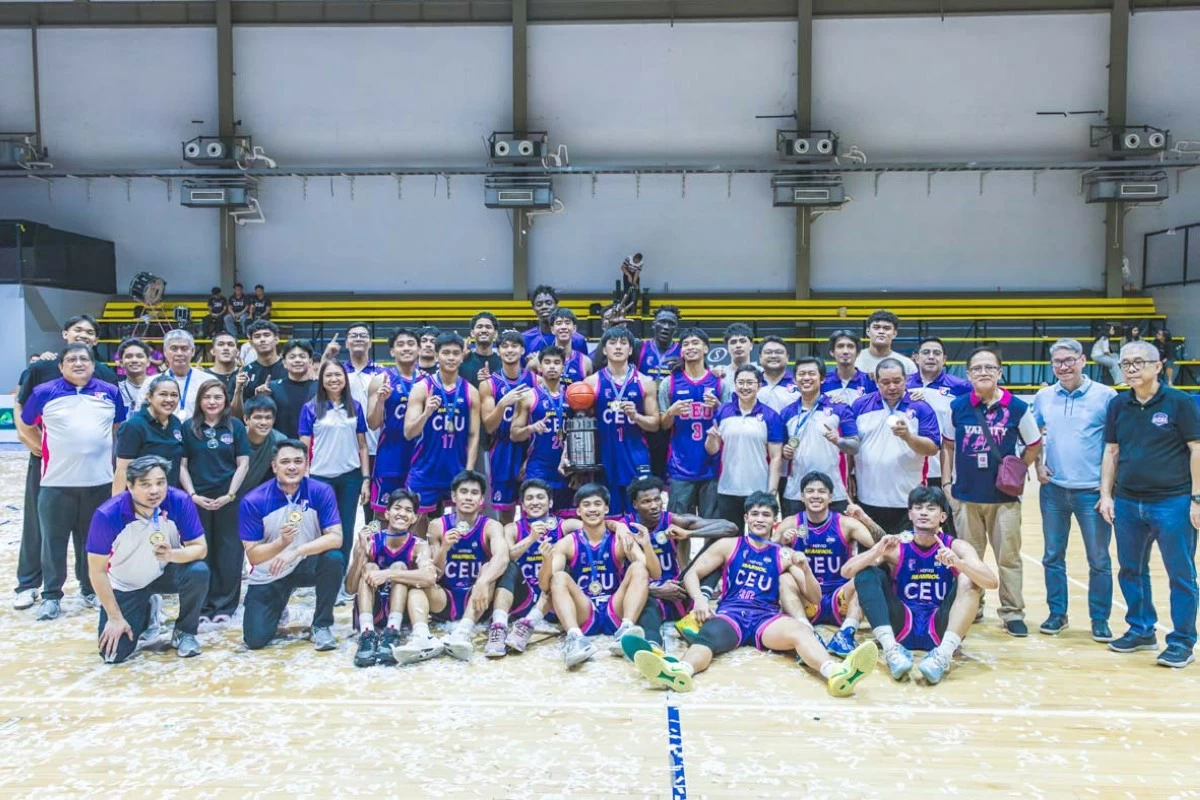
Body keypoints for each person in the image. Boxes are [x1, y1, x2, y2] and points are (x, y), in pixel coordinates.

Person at [627, 491, 878, 696]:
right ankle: (681, 671)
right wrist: (700, 599)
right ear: (746, 518)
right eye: (755, 514)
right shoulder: (729, 545)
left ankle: (835, 673)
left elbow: (814, 597)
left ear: (774, 521)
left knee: (800, 631)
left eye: (766, 515)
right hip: (732, 614)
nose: (760, 519)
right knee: (707, 637)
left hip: (765, 619)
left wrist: (806, 569)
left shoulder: (783, 554)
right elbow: (692, 573)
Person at [1098, 339, 1200, 668]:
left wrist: (1197, 498)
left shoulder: (1180, 402)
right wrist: (1106, 494)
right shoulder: (1118, 404)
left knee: (1180, 574)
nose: (1131, 368)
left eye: (1138, 362)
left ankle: (1182, 640)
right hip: (1128, 503)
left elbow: (1197, 449)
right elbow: (1111, 451)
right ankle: (1141, 629)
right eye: (1125, 363)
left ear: (1158, 366)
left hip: (1173, 502)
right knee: (1131, 570)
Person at [13, 314, 119, 613]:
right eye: (77, 330)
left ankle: (90, 586)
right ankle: (30, 585)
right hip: (50, 464)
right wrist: (36, 446)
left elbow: (115, 424)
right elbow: (22, 412)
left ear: (96, 340)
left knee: (91, 531)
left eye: (89, 332)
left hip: (93, 472)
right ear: (65, 334)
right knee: (41, 528)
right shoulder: (41, 370)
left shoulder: (105, 376)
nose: (83, 335)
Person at [842, 486, 998, 684]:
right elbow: (847, 572)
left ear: (942, 516)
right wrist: (876, 551)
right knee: (867, 573)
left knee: (969, 578)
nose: (924, 512)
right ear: (910, 514)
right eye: (918, 508)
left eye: (931, 508)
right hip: (902, 625)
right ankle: (891, 650)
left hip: (939, 626)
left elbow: (991, 582)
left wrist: (960, 565)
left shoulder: (956, 547)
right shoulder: (897, 546)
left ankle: (943, 655)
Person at [944, 347, 1041, 637]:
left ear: (1000, 372)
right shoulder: (958, 406)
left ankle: (1012, 612)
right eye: (977, 368)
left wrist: (1017, 470)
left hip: (1004, 499)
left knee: (1008, 559)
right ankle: (973, 605)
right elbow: (948, 445)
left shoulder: (1018, 407)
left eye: (990, 367)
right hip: (966, 497)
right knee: (969, 560)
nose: (983, 372)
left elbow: (1034, 444)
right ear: (968, 374)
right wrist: (947, 484)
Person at [1033, 338, 1118, 641]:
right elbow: (1032, 434)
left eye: (1069, 360)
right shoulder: (1043, 396)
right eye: (1058, 361)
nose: (1064, 366)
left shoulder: (1106, 396)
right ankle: (1057, 614)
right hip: (1054, 491)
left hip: (1092, 493)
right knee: (1052, 556)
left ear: (1083, 360)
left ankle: (1100, 619)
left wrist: (1107, 490)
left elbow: (1115, 445)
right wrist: (1038, 465)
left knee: (1099, 559)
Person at [86, 456, 210, 663]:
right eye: (145, 484)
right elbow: (97, 571)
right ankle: (148, 608)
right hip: (127, 584)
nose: (154, 491)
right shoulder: (108, 515)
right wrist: (115, 618)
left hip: (165, 573)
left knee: (198, 571)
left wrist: (172, 555)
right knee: (113, 655)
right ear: (130, 485)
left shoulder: (179, 501)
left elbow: (200, 548)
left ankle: (185, 631)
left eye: (160, 483)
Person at [239, 440, 344, 652]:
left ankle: (321, 625)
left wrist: (296, 551)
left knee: (334, 558)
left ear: (307, 465)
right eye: (285, 462)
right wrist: (281, 543)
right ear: (274, 466)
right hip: (271, 569)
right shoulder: (253, 500)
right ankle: (278, 607)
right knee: (255, 640)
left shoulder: (321, 491)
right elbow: (254, 556)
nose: (292, 467)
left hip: (306, 563)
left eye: (298, 461)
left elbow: (336, 538)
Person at [545, 483, 656, 668]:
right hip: (585, 609)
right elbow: (545, 585)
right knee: (558, 578)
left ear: (606, 508)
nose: (592, 509)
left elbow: (654, 573)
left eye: (597, 504)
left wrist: (647, 545)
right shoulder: (567, 543)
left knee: (639, 568)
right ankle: (575, 638)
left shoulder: (621, 538)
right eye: (586, 505)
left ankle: (626, 630)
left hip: (615, 607)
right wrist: (546, 561)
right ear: (578, 511)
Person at [623, 475, 739, 647]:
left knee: (718, 547)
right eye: (646, 501)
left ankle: (700, 603)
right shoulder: (625, 527)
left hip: (678, 587)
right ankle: (653, 645)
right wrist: (652, 589)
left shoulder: (674, 520)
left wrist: (689, 534)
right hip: (646, 590)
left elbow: (730, 528)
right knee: (647, 608)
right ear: (635, 504)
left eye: (657, 499)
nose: (654, 505)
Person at [775, 471, 875, 656]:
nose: (815, 496)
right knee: (784, 579)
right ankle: (807, 631)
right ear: (802, 497)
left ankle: (846, 634)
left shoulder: (845, 524)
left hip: (840, 597)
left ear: (830, 497)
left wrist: (865, 519)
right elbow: (762, 555)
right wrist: (780, 544)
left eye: (821, 491)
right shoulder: (791, 523)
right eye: (810, 491)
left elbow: (885, 545)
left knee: (867, 575)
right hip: (808, 597)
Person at [179, 379, 251, 624]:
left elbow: (243, 463)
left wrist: (229, 494)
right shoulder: (188, 427)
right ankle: (201, 604)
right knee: (200, 550)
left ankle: (225, 605)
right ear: (199, 400)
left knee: (229, 552)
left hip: (228, 497)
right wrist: (192, 495)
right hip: (197, 497)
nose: (212, 402)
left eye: (218, 397)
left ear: (226, 400)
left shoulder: (235, 426)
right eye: (207, 397)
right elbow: (182, 465)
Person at [844, 358, 940, 538]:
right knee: (872, 552)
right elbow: (849, 449)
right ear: (876, 382)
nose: (892, 387)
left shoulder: (921, 407)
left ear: (906, 379)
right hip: (868, 499)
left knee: (906, 553)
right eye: (885, 382)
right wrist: (847, 480)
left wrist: (908, 437)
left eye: (897, 381)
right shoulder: (860, 406)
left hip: (909, 500)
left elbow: (932, 448)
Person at [425, 470, 512, 660]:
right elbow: (434, 574)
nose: (468, 497)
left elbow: (503, 558)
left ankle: (463, 632)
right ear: (454, 496)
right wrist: (444, 547)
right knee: (419, 578)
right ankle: (420, 635)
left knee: (490, 568)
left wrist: (483, 581)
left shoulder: (491, 526)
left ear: (481, 500)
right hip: (444, 599)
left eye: (474, 493)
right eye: (463, 492)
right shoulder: (437, 525)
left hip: (479, 598)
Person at [345, 489, 437, 667]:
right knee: (369, 568)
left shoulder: (419, 545)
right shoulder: (369, 541)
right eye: (397, 508)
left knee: (399, 567)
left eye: (408, 510)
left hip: (401, 615)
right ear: (387, 514)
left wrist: (388, 574)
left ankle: (392, 633)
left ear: (414, 518)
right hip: (372, 610)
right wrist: (361, 553)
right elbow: (350, 589)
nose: (402, 513)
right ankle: (366, 634)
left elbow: (429, 577)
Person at [577, 326, 659, 518]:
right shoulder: (591, 382)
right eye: (612, 343)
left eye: (623, 343)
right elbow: (582, 422)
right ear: (604, 350)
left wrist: (636, 416)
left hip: (635, 454)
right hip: (605, 455)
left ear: (630, 350)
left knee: (640, 513)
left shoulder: (645, 382)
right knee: (608, 513)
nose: (618, 347)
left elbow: (655, 423)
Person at [299, 359, 370, 578]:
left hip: (350, 478)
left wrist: (366, 479)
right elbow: (303, 448)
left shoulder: (355, 406)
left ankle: (338, 579)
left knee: (346, 529)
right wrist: (303, 480)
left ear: (345, 379)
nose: (334, 379)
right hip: (320, 478)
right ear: (321, 380)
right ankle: (320, 577)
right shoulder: (310, 408)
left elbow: (363, 446)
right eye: (328, 375)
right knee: (322, 529)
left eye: (338, 375)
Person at [404, 332, 481, 525]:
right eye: (446, 353)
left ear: (462, 356)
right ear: (437, 356)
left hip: (457, 468)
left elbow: (473, 436)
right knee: (416, 526)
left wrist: (469, 471)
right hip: (425, 469)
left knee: (460, 526)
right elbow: (409, 432)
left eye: (456, 353)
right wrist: (426, 413)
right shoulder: (422, 388)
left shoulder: (471, 391)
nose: (451, 357)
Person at [658, 328, 725, 519]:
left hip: (712, 466)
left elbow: (731, 423)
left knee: (711, 527)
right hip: (680, 468)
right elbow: (663, 425)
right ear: (681, 351)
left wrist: (718, 407)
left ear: (706, 348)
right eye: (685, 344)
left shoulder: (720, 383)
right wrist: (671, 412)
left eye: (695, 343)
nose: (690, 347)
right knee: (678, 527)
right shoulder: (669, 383)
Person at [780, 357, 858, 517]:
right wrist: (784, 452)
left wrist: (838, 440)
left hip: (833, 493)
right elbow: (778, 450)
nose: (806, 378)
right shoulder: (787, 412)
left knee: (835, 533)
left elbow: (855, 447)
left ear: (822, 378)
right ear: (794, 380)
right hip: (796, 493)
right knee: (797, 533)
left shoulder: (840, 408)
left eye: (811, 373)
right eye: (801, 374)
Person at [708, 365, 784, 527]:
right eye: (740, 382)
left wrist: (771, 492)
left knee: (760, 538)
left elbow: (776, 457)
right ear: (735, 384)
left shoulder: (771, 416)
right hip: (727, 489)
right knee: (730, 537)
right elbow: (713, 450)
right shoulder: (723, 412)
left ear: (759, 386)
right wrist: (711, 438)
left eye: (750, 383)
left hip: (759, 491)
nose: (745, 387)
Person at [907, 336, 972, 521]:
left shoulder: (961, 388)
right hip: (910, 469)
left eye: (936, 353)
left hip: (948, 471)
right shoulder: (903, 385)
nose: (931, 357)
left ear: (944, 359)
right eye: (926, 352)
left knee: (950, 525)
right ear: (916, 358)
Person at [499, 479, 566, 653]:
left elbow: (596, 525)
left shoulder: (564, 525)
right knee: (505, 567)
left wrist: (618, 527)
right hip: (523, 597)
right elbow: (506, 557)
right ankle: (499, 627)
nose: (535, 502)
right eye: (529, 498)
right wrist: (531, 538)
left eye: (540, 497)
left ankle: (527, 625)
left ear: (550, 502)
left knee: (563, 572)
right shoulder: (512, 528)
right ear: (522, 504)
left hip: (552, 598)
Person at [478, 330, 536, 523]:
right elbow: (489, 426)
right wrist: (502, 403)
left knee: (534, 506)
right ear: (499, 351)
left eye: (514, 346)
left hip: (530, 447)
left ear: (522, 350)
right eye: (505, 346)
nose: (509, 350)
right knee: (505, 511)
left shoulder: (535, 380)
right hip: (502, 448)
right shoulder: (488, 384)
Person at [511, 345, 572, 513]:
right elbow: (514, 434)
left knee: (567, 521)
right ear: (540, 366)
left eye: (557, 363)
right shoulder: (528, 397)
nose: (552, 366)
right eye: (547, 362)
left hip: (567, 468)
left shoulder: (573, 396)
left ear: (563, 367)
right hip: (538, 468)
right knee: (537, 518)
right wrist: (531, 428)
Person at [367, 327, 420, 516]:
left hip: (419, 457)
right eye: (400, 344)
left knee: (418, 515)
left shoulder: (428, 381)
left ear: (419, 349)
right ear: (392, 351)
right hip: (390, 456)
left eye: (411, 344)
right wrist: (381, 401)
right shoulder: (381, 380)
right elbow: (372, 424)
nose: (406, 348)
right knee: (383, 514)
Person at [115, 375, 185, 494]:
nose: (169, 399)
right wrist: (117, 503)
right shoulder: (133, 426)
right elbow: (122, 470)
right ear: (149, 396)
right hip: (142, 497)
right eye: (163, 394)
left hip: (170, 495)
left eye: (174, 395)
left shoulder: (176, 422)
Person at [245, 338, 316, 439]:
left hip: (316, 445)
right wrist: (260, 399)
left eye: (302, 356)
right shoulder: (272, 388)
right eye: (292, 357)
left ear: (310, 362)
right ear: (284, 363)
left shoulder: (319, 387)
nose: (297, 360)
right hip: (280, 445)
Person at [161, 329, 216, 421]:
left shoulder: (208, 381)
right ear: (165, 351)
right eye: (174, 348)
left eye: (184, 348)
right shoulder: (152, 383)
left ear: (193, 351)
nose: (179, 353)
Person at [241, 396, 287, 497]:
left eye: (268, 418)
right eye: (258, 417)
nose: (263, 422)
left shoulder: (279, 441)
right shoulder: (235, 438)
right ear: (246, 419)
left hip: (252, 498)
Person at [524, 285, 587, 355]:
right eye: (539, 304)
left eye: (549, 303)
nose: (544, 307)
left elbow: (583, 361)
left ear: (556, 306)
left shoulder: (578, 340)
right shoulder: (525, 339)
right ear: (534, 308)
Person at [855, 310, 918, 377]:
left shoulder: (907, 365)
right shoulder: (854, 360)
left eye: (887, 328)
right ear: (868, 331)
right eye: (876, 327)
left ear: (894, 333)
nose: (881, 331)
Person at [822, 330, 877, 405]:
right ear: (832, 352)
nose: (845, 351)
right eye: (840, 346)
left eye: (850, 347)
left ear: (858, 352)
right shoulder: (822, 382)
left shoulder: (870, 381)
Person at [237, 320, 286, 402]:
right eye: (257, 336)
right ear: (251, 343)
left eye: (267, 335)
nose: (262, 339)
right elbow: (238, 409)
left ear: (276, 339)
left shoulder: (290, 369)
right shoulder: (245, 373)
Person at [636, 305, 681, 380]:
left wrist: (687, 365)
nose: (666, 327)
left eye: (671, 323)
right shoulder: (639, 346)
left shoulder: (683, 350)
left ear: (676, 329)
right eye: (662, 322)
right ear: (653, 325)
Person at [548, 308, 593, 384]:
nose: (563, 327)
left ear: (574, 328)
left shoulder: (585, 362)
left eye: (567, 323)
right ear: (552, 329)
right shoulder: (541, 359)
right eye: (559, 323)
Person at [757, 336, 799, 414]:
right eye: (768, 352)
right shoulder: (752, 383)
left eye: (779, 352)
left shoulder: (798, 383)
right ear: (760, 357)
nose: (773, 356)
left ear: (787, 358)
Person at [462, 312, 502, 387]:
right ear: (472, 333)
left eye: (488, 327)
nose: (483, 330)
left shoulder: (503, 362)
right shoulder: (463, 361)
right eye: (479, 327)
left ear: (495, 333)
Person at [117, 337, 153, 413]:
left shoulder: (159, 386)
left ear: (148, 362)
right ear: (121, 363)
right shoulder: (117, 390)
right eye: (129, 356)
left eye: (139, 356)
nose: (134, 360)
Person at [207, 331, 241, 399]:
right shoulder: (204, 376)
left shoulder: (246, 374)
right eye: (220, 344)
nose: (226, 348)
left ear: (237, 352)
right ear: (213, 351)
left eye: (230, 345)